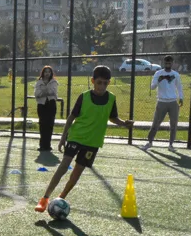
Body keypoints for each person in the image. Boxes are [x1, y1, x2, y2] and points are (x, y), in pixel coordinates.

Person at [34, 65, 134, 212]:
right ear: (93, 81)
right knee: (63, 166)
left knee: (77, 172)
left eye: (105, 83)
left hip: (93, 142)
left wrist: (124, 124)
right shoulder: (84, 96)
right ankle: (45, 198)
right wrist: (63, 138)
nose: (102, 86)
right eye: (99, 82)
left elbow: (113, 117)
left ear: (109, 83)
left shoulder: (111, 98)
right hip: (76, 137)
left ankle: (61, 198)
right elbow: (71, 118)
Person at [142, 54, 184, 150]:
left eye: (169, 62)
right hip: (161, 102)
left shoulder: (176, 75)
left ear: (172, 63)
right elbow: (152, 87)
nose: (168, 64)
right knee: (156, 123)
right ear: (163, 63)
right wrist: (158, 81)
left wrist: (181, 98)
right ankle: (149, 142)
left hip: (173, 102)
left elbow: (179, 87)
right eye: (166, 63)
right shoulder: (158, 73)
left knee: (173, 124)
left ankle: (171, 145)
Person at [33, 65, 60, 152]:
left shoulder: (54, 82)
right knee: (42, 124)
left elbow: (53, 92)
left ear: (51, 73)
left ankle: (48, 145)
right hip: (41, 105)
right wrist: (46, 91)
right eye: (45, 72)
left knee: (50, 124)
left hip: (51, 104)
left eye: (49, 72)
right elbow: (37, 94)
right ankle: (42, 145)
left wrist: (44, 91)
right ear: (43, 73)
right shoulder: (39, 82)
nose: (47, 74)